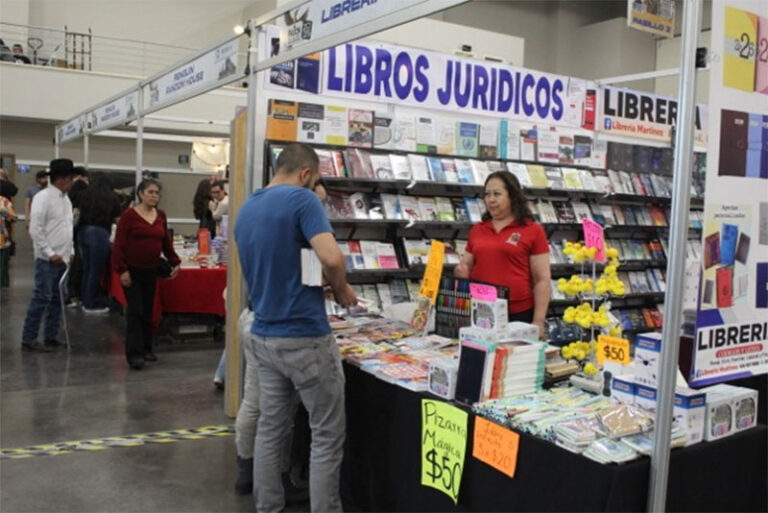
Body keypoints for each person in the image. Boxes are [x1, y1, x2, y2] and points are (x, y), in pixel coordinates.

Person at [234, 143, 356, 512]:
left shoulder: (247, 207)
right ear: (305, 174)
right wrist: (342, 289)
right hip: (304, 335)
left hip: (264, 333)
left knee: (271, 428)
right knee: (327, 433)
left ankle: (267, 506)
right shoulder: (303, 200)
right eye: (314, 179)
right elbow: (331, 257)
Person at [455, 170, 551, 338]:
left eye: (497, 194)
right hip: (481, 311)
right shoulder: (478, 229)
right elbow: (466, 266)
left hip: (518, 313)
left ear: (512, 196)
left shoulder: (533, 230)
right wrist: (460, 272)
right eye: (487, 194)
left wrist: (538, 321)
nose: (491, 200)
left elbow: (542, 279)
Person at [112, 178, 180, 370]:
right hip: (132, 271)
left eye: (157, 193)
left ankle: (146, 348)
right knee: (136, 312)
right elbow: (119, 245)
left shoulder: (161, 215)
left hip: (151, 270)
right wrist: (122, 270)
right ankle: (134, 354)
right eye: (150, 192)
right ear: (141, 194)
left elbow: (165, 243)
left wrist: (175, 261)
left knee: (148, 311)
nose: (154, 196)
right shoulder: (128, 216)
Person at [20, 159, 77, 352]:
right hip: (47, 259)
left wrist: (70, 251)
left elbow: (67, 228)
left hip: (63, 258)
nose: (72, 182)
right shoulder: (43, 198)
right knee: (42, 298)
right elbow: (36, 229)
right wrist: (50, 253)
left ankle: (51, 337)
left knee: (57, 299)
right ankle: (29, 339)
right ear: (62, 179)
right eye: (71, 178)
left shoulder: (66, 199)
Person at [77, 175, 122, 314]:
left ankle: (84, 299)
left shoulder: (84, 195)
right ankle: (91, 304)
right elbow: (117, 219)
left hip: (83, 231)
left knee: (87, 268)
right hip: (100, 232)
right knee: (96, 271)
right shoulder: (112, 197)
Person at [66, 167, 89, 307]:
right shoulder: (84, 193)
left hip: (69, 237)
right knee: (79, 266)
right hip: (80, 234)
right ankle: (76, 294)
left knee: (71, 266)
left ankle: (69, 294)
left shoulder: (67, 196)